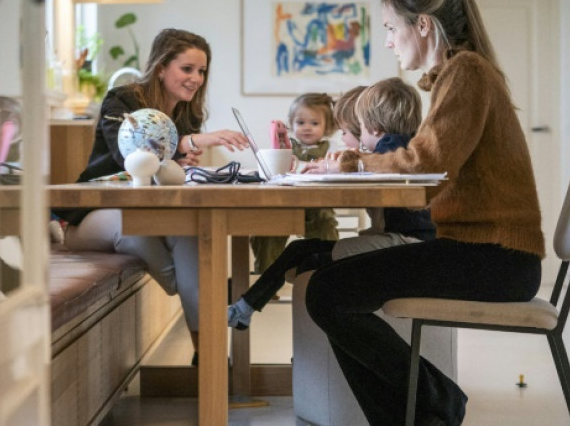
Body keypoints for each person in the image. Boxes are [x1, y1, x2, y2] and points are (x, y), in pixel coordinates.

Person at [299, 0, 544, 426]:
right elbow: (426, 165)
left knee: (328, 292)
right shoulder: (461, 73)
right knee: (330, 290)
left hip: (496, 259)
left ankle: (438, 402)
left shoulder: (466, 72)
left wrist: (349, 164)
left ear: (424, 24)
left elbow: (424, 165)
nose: (389, 41)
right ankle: (425, 412)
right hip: (489, 254)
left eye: (392, 28)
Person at [60, 28, 249, 364]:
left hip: (143, 214)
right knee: (140, 231)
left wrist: (179, 160)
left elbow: (165, 168)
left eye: (201, 71)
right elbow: (129, 157)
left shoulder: (186, 113)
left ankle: (209, 357)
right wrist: (190, 143)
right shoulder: (122, 99)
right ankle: (203, 296)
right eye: (187, 69)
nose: (196, 79)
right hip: (95, 215)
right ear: (161, 67)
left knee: (191, 234)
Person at [229, 78, 435, 330]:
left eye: (360, 125)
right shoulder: (398, 144)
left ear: (374, 128)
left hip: (406, 244)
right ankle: (244, 308)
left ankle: (249, 308)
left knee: (307, 261)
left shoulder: (394, 144)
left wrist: (343, 165)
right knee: (299, 249)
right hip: (400, 240)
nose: (355, 135)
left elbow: (379, 163)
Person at [249, 93, 340, 274]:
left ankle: (325, 272)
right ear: (291, 123)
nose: (307, 128)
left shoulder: (332, 149)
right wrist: (278, 149)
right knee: (267, 231)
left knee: (325, 229)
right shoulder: (285, 147)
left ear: (327, 126)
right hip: (285, 203)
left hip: (318, 204)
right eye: (300, 122)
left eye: (314, 123)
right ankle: (266, 273)